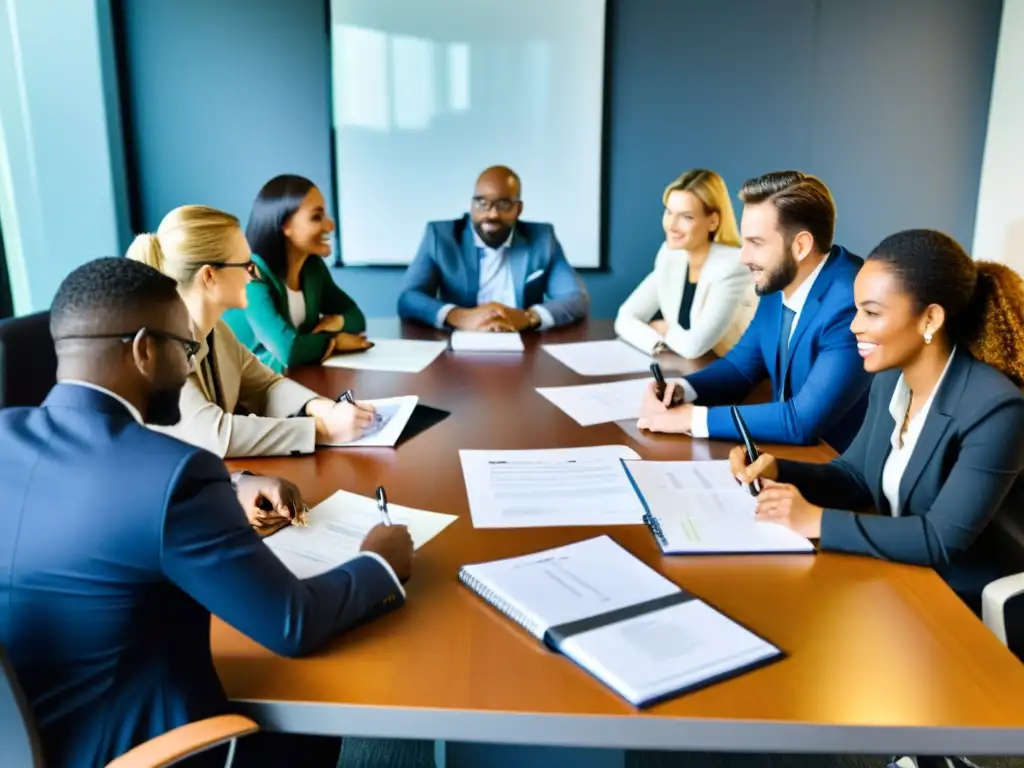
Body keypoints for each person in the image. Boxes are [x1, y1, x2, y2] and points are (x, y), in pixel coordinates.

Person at [0, 257, 414, 768]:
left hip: (27, 740)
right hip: (144, 751)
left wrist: (230, 486)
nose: (190, 365)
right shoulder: (174, 475)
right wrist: (380, 563)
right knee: (317, 711)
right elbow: (293, 623)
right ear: (145, 350)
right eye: (187, 349)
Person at [730, 229, 1024, 611]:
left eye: (871, 312)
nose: (854, 325)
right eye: (857, 310)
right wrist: (779, 471)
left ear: (930, 318)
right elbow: (856, 478)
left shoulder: (997, 409)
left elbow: (940, 539)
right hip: (899, 576)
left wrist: (815, 521)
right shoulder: (889, 380)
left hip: (965, 601)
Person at [638, 170, 871, 450]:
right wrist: (682, 390)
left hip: (836, 468)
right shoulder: (780, 279)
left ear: (800, 246)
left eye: (756, 243)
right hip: (786, 458)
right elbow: (740, 368)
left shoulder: (852, 302)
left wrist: (693, 419)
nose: (743, 257)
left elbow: (801, 421)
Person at [127, 204, 377, 458]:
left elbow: (266, 386)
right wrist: (321, 430)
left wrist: (320, 408)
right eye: (246, 265)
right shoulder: (159, 349)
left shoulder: (217, 331)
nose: (254, 275)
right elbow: (215, 434)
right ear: (209, 276)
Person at [397, 165, 590, 331]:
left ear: (518, 209)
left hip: (523, 344)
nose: (492, 214)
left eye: (504, 204)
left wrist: (528, 317)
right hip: (461, 344)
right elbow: (409, 298)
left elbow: (576, 299)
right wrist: (459, 316)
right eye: (482, 203)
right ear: (471, 205)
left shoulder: (542, 238)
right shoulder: (441, 236)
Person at [614, 169, 756, 358]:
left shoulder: (733, 266)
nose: (671, 225)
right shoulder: (670, 256)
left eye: (686, 217)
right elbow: (625, 318)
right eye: (669, 212)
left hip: (737, 374)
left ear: (713, 221)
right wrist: (657, 343)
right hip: (687, 367)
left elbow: (694, 347)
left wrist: (666, 329)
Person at [239, 174, 372, 374]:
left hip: (293, 381)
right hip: (244, 393)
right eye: (316, 217)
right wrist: (334, 341)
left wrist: (337, 321)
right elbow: (289, 350)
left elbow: (357, 318)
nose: (330, 226)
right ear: (285, 225)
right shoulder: (251, 274)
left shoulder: (313, 267)